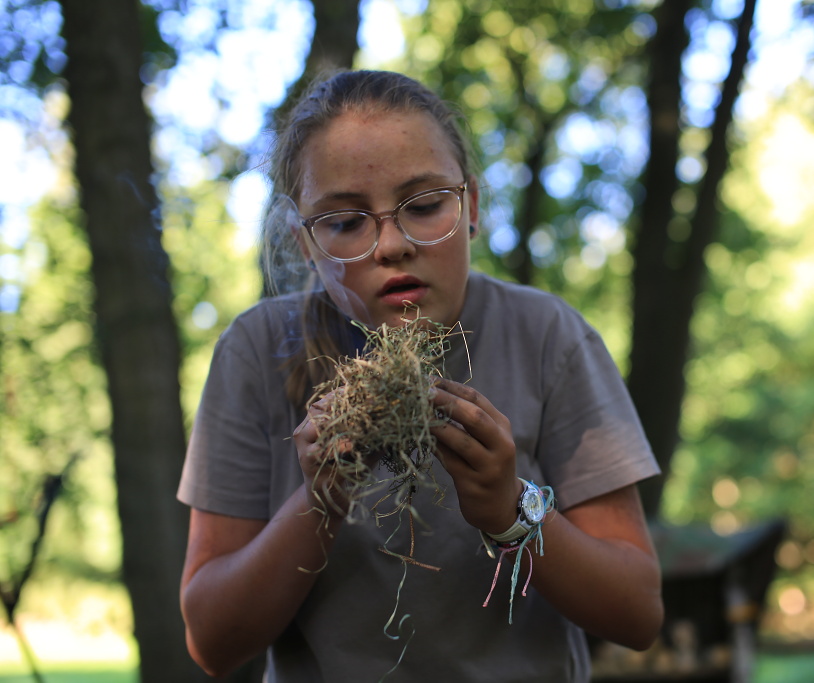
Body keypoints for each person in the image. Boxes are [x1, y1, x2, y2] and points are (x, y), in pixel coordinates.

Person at [177, 69, 663, 683]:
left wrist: (508, 510)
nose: (390, 244)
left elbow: (638, 613)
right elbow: (213, 643)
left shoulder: (548, 337)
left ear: (473, 207)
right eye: (346, 222)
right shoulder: (256, 352)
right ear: (305, 242)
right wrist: (318, 504)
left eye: (426, 205)